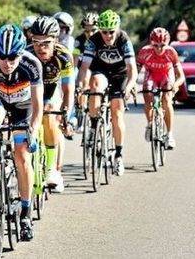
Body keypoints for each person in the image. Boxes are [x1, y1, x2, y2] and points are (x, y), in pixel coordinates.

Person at [0, 24, 43, 241]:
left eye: (13, 56)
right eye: (1, 56)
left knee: (22, 155)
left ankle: (25, 212)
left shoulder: (31, 64)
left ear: (21, 52)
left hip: (23, 105)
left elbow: (38, 103)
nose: (7, 62)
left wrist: (32, 130)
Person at [76, 9, 137, 176]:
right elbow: (84, 68)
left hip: (120, 74)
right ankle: (95, 126)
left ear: (116, 29)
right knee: (95, 87)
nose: (108, 36)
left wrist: (129, 87)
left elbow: (132, 70)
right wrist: (81, 86)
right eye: (104, 32)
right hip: (101, 71)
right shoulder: (94, 40)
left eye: (111, 32)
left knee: (117, 113)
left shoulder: (124, 39)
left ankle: (118, 155)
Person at [26, 16, 74, 192]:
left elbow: (68, 90)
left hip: (51, 91)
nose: (41, 47)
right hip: (29, 92)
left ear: (55, 40)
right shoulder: (26, 53)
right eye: (36, 42)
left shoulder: (64, 56)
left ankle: (51, 168)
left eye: (46, 42)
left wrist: (66, 114)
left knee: (50, 114)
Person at [136, 27, 185, 149]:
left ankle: (169, 135)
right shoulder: (144, 52)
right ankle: (150, 125)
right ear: (151, 43)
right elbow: (136, 71)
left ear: (167, 44)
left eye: (162, 45)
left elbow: (181, 76)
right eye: (155, 45)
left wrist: (175, 85)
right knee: (147, 91)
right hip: (151, 75)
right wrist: (132, 84)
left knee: (167, 100)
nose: (158, 49)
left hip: (166, 76)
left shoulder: (171, 53)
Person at [73, 12, 98, 131]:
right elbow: (75, 59)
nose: (90, 33)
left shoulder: (101, 39)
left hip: (98, 68)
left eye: (93, 29)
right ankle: (81, 115)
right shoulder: (79, 40)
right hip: (83, 69)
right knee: (82, 84)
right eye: (86, 30)